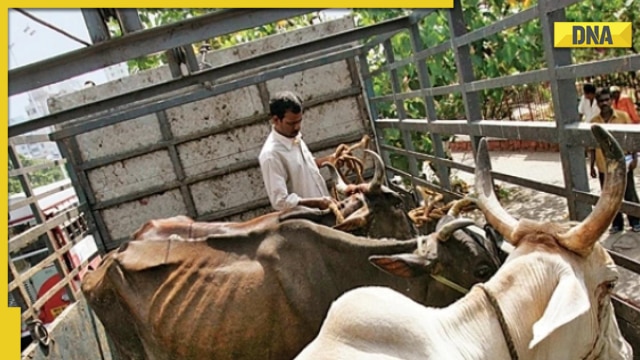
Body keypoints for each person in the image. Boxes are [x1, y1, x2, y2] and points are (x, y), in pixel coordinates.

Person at [259, 91, 362, 211]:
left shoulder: (294, 137)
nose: (297, 127)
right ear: (276, 120)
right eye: (291, 123)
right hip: (309, 223)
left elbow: (306, 166)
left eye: (299, 121)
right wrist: (318, 202)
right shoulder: (271, 155)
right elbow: (280, 202)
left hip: (324, 213)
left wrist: (330, 159)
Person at [589, 87, 639, 233]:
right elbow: (591, 146)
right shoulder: (594, 122)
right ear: (597, 103)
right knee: (609, 197)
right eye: (601, 101)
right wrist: (591, 166)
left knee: (629, 193)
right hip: (603, 166)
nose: (604, 103)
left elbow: (631, 140)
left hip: (623, 164)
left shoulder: (623, 117)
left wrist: (635, 157)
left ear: (611, 100)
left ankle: (635, 221)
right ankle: (617, 224)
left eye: (606, 99)